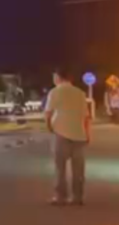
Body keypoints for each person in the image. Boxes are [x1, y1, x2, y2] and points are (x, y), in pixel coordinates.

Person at [45, 68, 91, 206]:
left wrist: (49, 127)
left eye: (54, 77)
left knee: (60, 168)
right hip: (79, 134)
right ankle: (77, 197)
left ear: (59, 77)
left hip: (60, 133)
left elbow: (48, 113)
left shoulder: (55, 92)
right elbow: (86, 117)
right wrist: (87, 134)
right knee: (78, 170)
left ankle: (60, 197)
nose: (54, 79)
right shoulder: (80, 93)